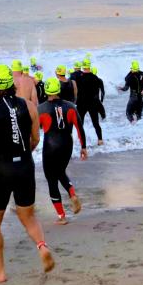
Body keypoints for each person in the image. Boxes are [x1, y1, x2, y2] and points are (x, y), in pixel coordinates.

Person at [0, 66, 54, 283]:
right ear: (11, 84)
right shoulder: (29, 106)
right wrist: (24, 154)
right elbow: (35, 138)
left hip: (2, 170)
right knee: (28, 216)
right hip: (25, 166)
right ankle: (42, 246)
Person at [37, 78, 87, 225]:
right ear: (58, 89)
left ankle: (61, 216)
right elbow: (80, 127)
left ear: (46, 91)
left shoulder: (41, 108)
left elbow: (35, 130)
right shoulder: (71, 106)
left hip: (51, 145)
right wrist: (83, 147)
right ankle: (72, 194)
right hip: (67, 145)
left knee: (52, 179)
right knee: (60, 171)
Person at [76, 61, 105, 146]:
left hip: (82, 104)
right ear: (89, 67)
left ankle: (81, 143)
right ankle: (100, 140)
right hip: (93, 103)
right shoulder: (96, 78)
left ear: (83, 67)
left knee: (80, 124)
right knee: (96, 123)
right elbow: (98, 93)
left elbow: (77, 92)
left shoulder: (79, 78)